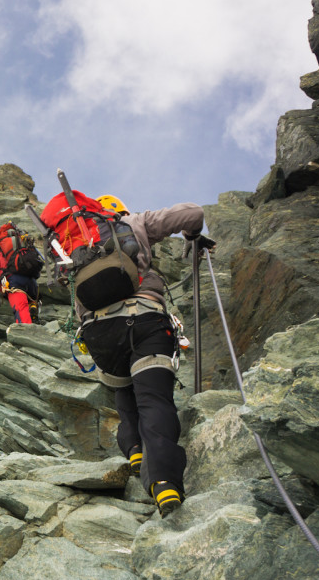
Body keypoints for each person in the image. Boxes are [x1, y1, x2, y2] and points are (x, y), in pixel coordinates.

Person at [70, 194, 214, 517]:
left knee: (125, 390)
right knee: (154, 398)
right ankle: (164, 483)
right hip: (145, 318)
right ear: (119, 212)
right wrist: (193, 235)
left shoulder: (79, 242)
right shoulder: (135, 222)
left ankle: (134, 450)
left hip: (100, 332)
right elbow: (193, 213)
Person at [0, 234, 39, 324]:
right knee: (29, 303)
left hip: (14, 283)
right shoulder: (10, 252)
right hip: (31, 281)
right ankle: (33, 307)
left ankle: (27, 332)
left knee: (21, 311)